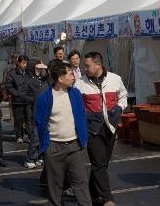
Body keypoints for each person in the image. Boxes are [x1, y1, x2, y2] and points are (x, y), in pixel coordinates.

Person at [75, 52, 128, 206]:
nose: (85, 68)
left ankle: (92, 192)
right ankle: (107, 198)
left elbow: (123, 96)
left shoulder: (115, 79)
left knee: (103, 163)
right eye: (84, 66)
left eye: (87, 65)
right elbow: (76, 106)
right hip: (92, 129)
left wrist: (120, 107)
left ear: (99, 64)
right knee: (98, 163)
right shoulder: (80, 83)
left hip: (110, 127)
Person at [35, 61, 90, 206]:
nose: (74, 77)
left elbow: (82, 117)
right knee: (55, 188)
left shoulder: (76, 93)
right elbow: (40, 124)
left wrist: (83, 141)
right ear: (60, 78)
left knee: (81, 185)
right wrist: (46, 147)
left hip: (76, 147)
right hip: (54, 148)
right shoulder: (45, 98)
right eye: (70, 74)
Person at [24, 59, 48, 169]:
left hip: (45, 112)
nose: (41, 69)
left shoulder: (43, 80)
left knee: (42, 136)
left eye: (41, 68)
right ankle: (30, 158)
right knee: (35, 137)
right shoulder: (29, 81)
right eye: (38, 68)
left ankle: (39, 156)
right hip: (35, 112)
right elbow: (23, 94)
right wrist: (34, 99)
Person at [5, 55, 33, 143]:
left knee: (29, 119)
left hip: (28, 100)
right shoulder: (12, 73)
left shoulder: (29, 73)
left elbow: (33, 84)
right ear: (19, 63)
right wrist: (17, 94)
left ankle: (30, 135)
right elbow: (8, 86)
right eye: (23, 63)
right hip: (18, 101)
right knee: (18, 119)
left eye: (26, 63)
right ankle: (19, 136)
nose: (25, 65)